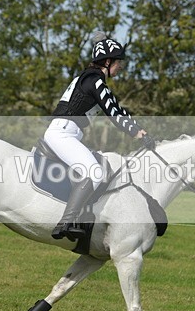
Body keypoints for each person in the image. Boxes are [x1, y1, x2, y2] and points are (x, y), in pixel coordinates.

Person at [44, 32, 155, 242]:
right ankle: (66, 222)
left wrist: (138, 128)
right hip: (63, 133)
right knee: (94, 172)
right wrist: (137, 132)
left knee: (99, 166)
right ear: (107, 61)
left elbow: (116, 106)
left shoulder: (90, 78)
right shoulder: (94, 81)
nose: (120, 67)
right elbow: (113, 112)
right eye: (118, 62)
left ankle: (82, 220)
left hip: (67, 132)